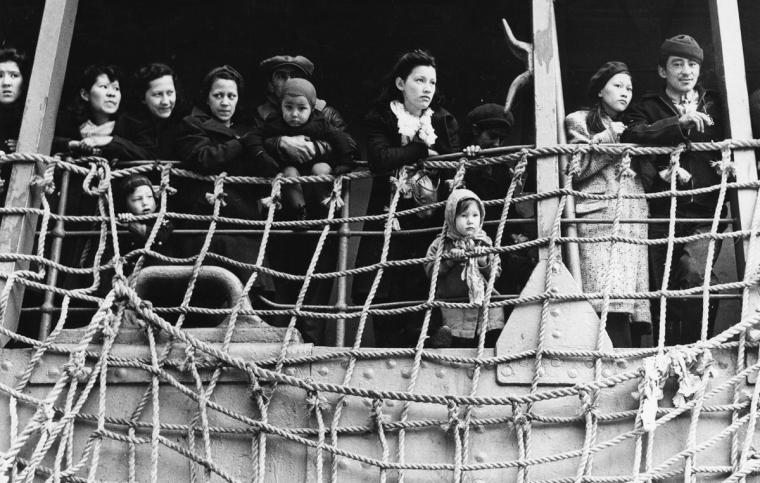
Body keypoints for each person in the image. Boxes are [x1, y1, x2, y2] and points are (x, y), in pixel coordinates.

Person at [353, 49, 461, 347]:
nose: (427, 88)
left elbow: (454, 165)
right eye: (419, 80)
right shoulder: (382, 116)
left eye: (432, 82)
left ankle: (428, 339)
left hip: (427, 221)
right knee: (384, 287)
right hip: (389, 218)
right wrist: (421, 151)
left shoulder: (441, 120)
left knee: (422, 284)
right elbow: (380, 158)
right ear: (401, 84)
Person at [622, 35, 724, 345]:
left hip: (706, 210)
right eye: (677, 64)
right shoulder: (647, 106)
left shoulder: (718, 104)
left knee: (695, 275)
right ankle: (663, 356)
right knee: (661, 289)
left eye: (692, 64)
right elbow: (635, 133)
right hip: (661, 211)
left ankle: (695, 349)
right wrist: (679, 122)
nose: (686, 71)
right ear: (663, 71)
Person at [253, 54, 356, 344]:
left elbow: (348, 145)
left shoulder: (327, 114)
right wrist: (278, 143)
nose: (286, 82)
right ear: (271, 83)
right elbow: (250, 145)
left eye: (293, 75)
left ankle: (312, 344)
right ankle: (279, 343)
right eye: (280, 76)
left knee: (318, 281)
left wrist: (313, 146)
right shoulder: (261, 116)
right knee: (280, 281)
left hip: (319, 210)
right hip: (281, 215)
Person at [175, 65, 278, 302]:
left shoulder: (246, 130)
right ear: (207, 98)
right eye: (218, 95)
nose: (225, 102)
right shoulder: (192, 125)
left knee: (250, 276)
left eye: (231, 96)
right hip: (207, 216)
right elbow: (203, 158)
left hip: (243, 218)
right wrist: (241, 144)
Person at [565, 61, 650, 347]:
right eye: (617, 85)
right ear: (600, 90)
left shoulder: (635, 124)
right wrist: (612, 135)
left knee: (629, 303)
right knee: (603, 298)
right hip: (598, 219)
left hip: (631, 218)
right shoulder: (578, 120)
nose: (625, 92)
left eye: (629, 87)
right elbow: (576, 169)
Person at [249, 78, 354, 218]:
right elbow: (254, 136)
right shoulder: (274, 121)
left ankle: (327, 206)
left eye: (302, 108)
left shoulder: (319, 122)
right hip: (289, 171)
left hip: (315, 169)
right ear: (281, 106)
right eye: (288, 107)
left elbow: (340, 138)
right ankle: (300, 211)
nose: (294, 114)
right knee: (289, 173)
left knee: (321, 169)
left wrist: (345, 162)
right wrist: (265, 153)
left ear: (311, 108)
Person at [424, 188, 504, 348]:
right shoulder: (440, 244)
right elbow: (429, 271)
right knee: (454, 333)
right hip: (454, 303)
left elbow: (497, 273)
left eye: (475, 215)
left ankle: (492, 341)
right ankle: (442, 339)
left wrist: (483, 261)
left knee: (491, 327)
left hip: (482, 304)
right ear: (452, 218)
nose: (470, 221)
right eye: (463, 215)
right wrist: (449, 260)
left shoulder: (484, 242)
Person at [52, 64, 145, 162]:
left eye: (116, 89)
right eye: (104, 87)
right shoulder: (66, 122)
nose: (111, 93)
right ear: (85, 94)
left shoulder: (132, 126)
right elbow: (41, 140)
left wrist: (107, 140)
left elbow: (150, 154)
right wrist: (70, 144)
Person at [120, 63, 187, 161]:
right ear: (142, 97)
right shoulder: (129, 122)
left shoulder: (184, 120)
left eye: (170, 93)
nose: (165, 101)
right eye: (157, 94)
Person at [117, 174, 173, 262]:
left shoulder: (162, 217)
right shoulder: (119, 222)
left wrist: (133, 225)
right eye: (137, 199)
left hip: (160, 269)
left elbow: (161, 236)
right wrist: (124, 220)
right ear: (126, 205)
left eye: (149, 197)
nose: (145, 203)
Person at [0, 47, 29, 202]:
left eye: (14, 75)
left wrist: (25, 146)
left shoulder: (28, 117)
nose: (6, 83)